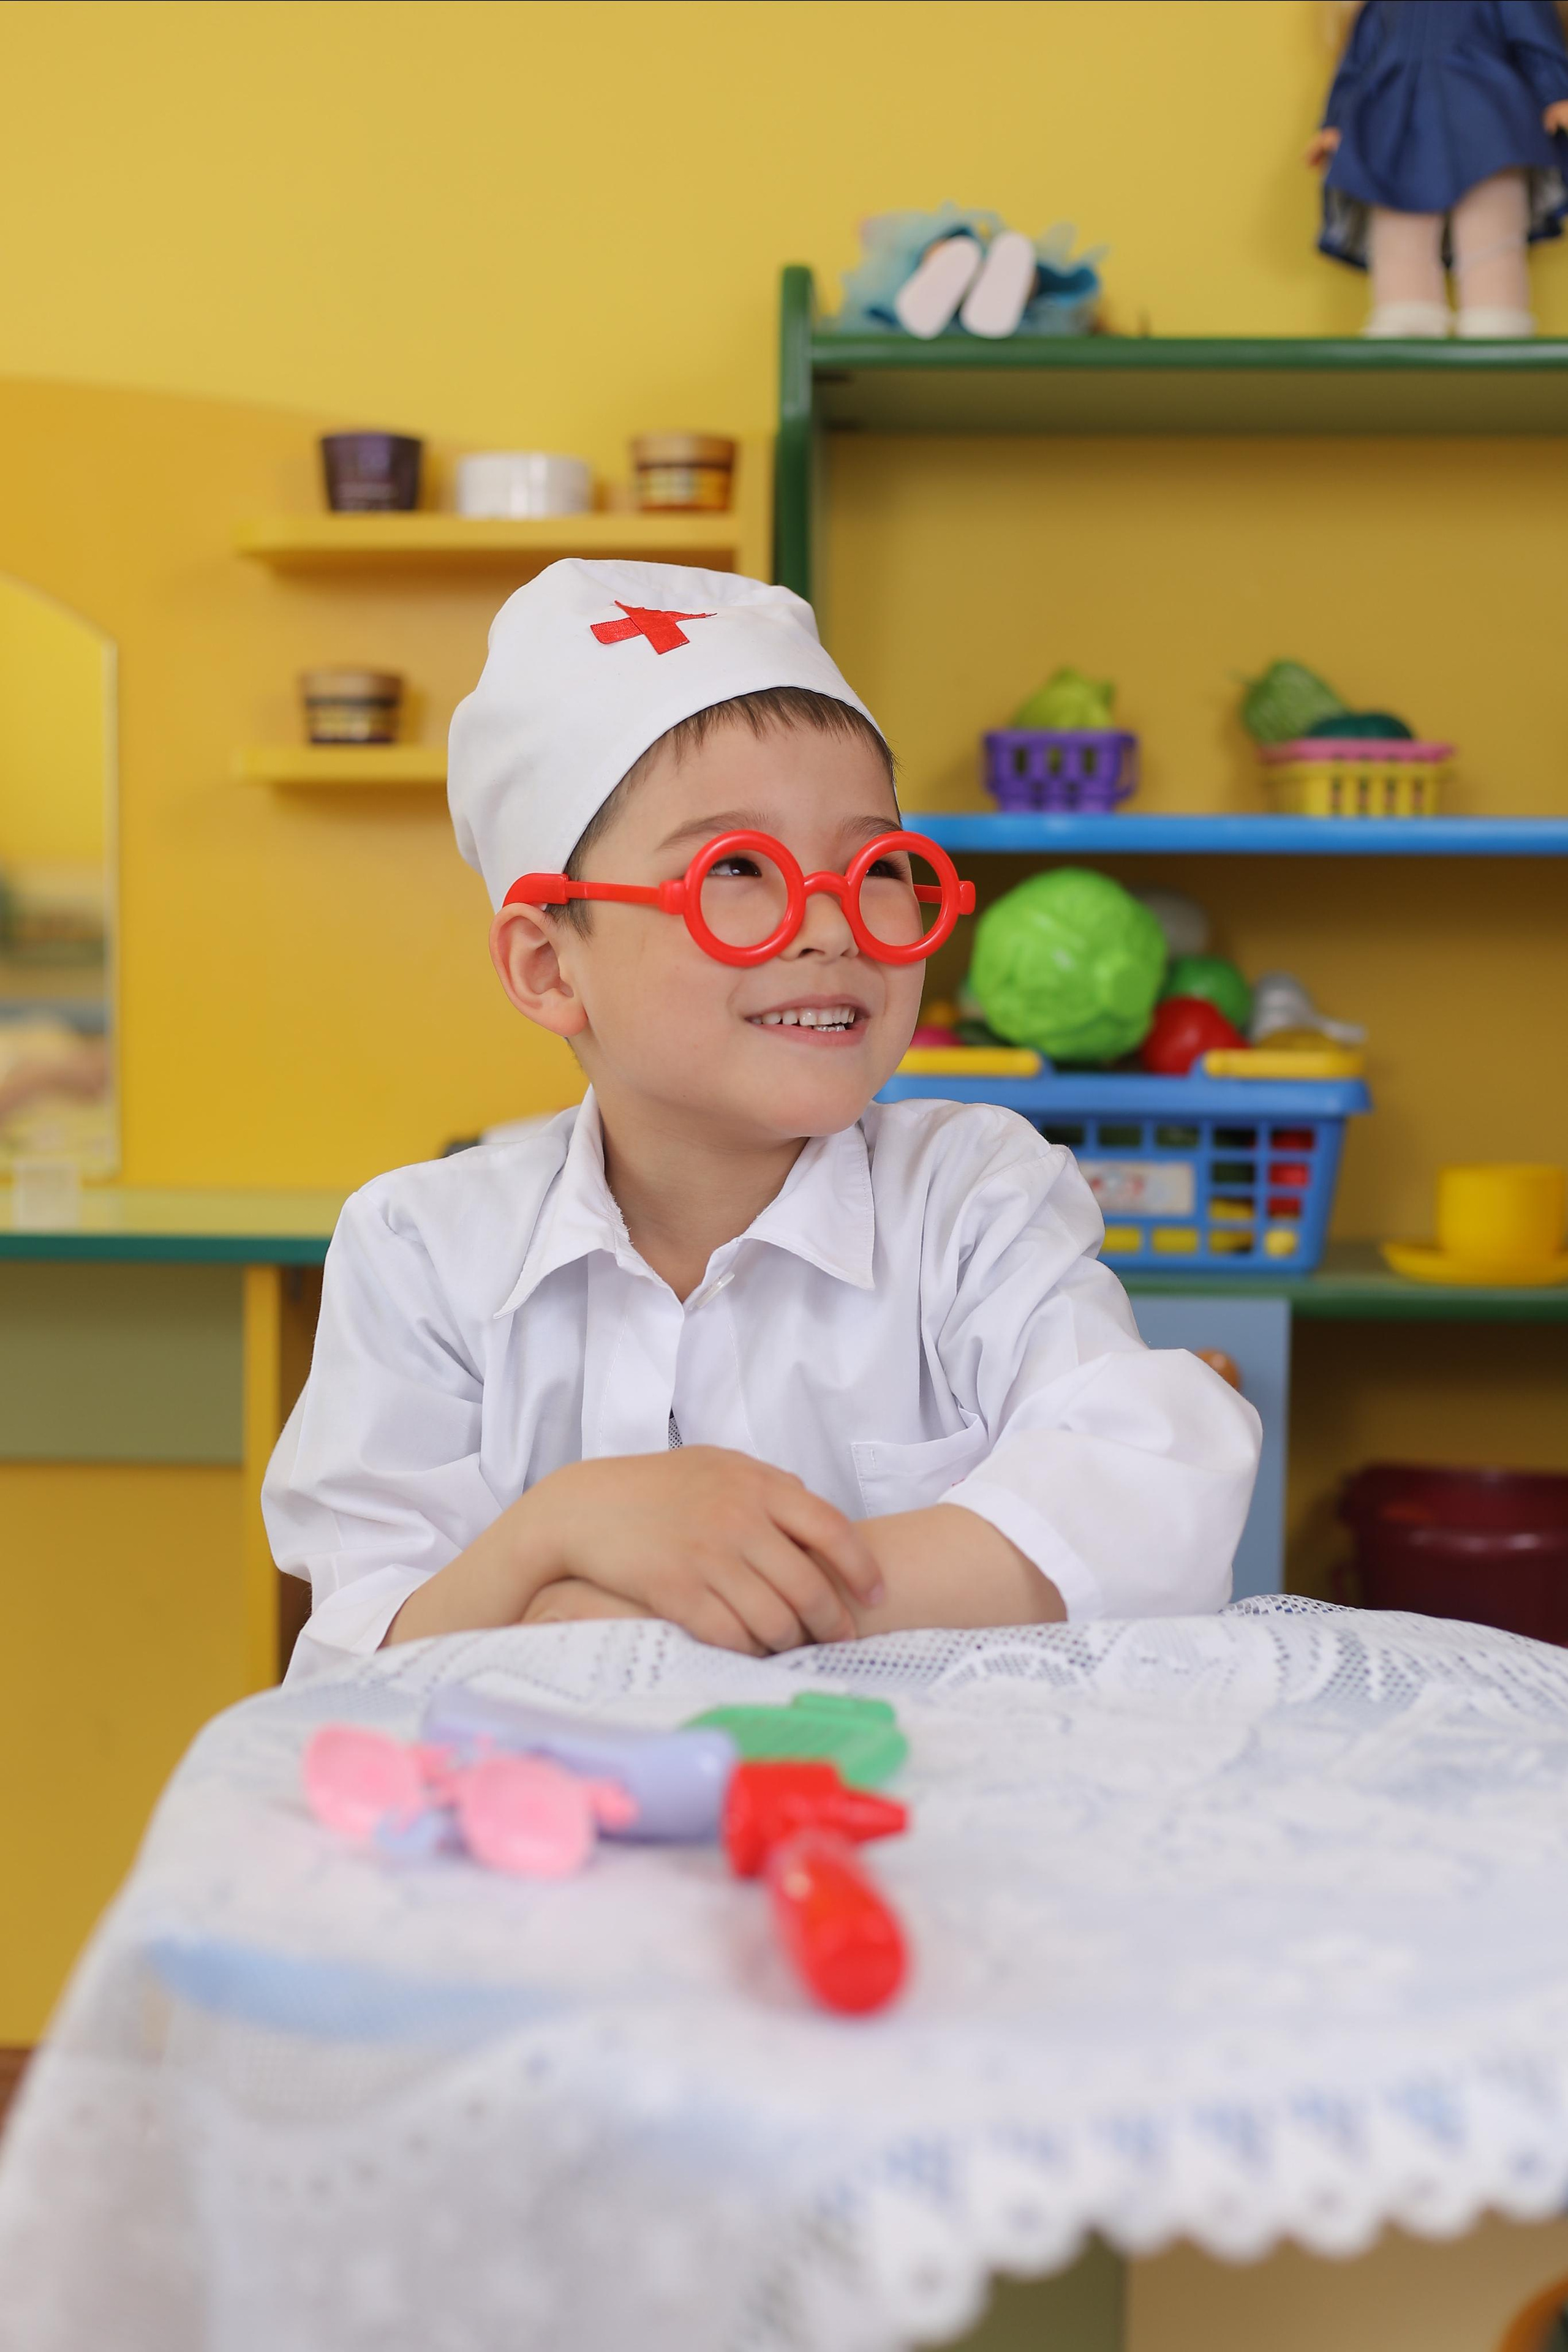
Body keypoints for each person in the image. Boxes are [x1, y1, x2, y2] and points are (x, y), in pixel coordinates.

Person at [264, 562, 1259, 1679]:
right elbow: (360, 1658)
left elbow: (1154, 1477)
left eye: (875, 863)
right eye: (738, 867)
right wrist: (562, 1526)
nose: (834, 924)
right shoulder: (421, 1254)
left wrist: (684, 1606)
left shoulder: (972, 1196)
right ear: (549, 965)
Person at [1308, 0, 1568, 337]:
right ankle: (1406, 315)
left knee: (1488, 222)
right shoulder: (1379, 6)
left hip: (1486, 113)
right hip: (1394, 119)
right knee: (1399, 224)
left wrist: (1556, 93)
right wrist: (1336, 122)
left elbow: (1534, 38)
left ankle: (1496, 317)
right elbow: (1357, 63)